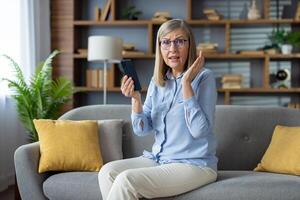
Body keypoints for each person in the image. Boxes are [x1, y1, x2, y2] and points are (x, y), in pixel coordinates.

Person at [98, 18, 218, 200]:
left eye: (179, 41)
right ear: (159, 47)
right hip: (159, 159)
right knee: (107, 171)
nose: (173, 49)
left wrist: (186, 83)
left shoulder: (204, 78)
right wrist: (136, 99)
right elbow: (141, 129)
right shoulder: (158, 82)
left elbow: (199, 131)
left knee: (126, 180)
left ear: (190, 45)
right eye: (166, 42)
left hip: (194, 164)